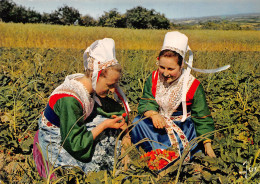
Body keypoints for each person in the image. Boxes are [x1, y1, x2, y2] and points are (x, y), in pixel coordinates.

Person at [33, 38, 131, 178]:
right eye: (109, 85)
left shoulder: (88, 86)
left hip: (70, 129)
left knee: (110, 130)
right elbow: (74, 144)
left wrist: (125, 130)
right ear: (94, 75)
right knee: (94, 164)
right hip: (56, 138)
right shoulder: (70, 99)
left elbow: (112, 108)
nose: (112, 90)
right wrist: (103, 125)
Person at [131, 31, 230, 165]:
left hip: (181, 127)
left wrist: (207, 145)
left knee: (173, 156)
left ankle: (167, 158)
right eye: (162, 67)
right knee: (138, 121)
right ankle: (148, 155)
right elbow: (146, 101)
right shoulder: (154, 78)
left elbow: (202, 116)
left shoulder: (193, 85)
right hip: (157, 122)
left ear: (181, 65)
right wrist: (154, 114)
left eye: (171, 69)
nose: (165, 73)